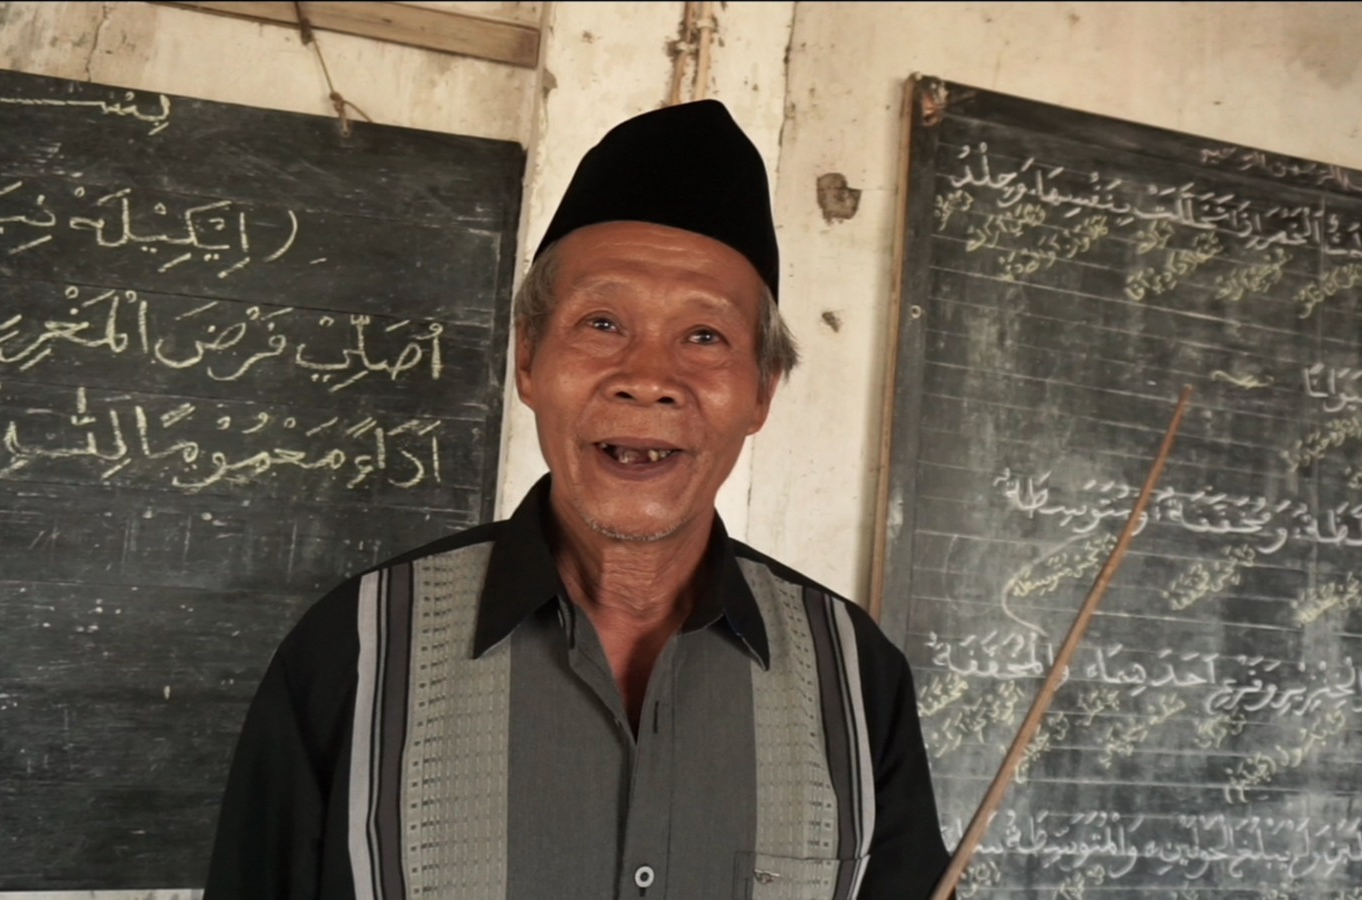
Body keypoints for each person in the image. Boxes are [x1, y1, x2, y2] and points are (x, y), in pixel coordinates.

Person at [205, 100, 946, 899]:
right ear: (529, 359)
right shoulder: (354, 650)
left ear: (762, 390)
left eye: (705, 336)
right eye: (602, 322)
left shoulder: (854, 678)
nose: (649, 379)